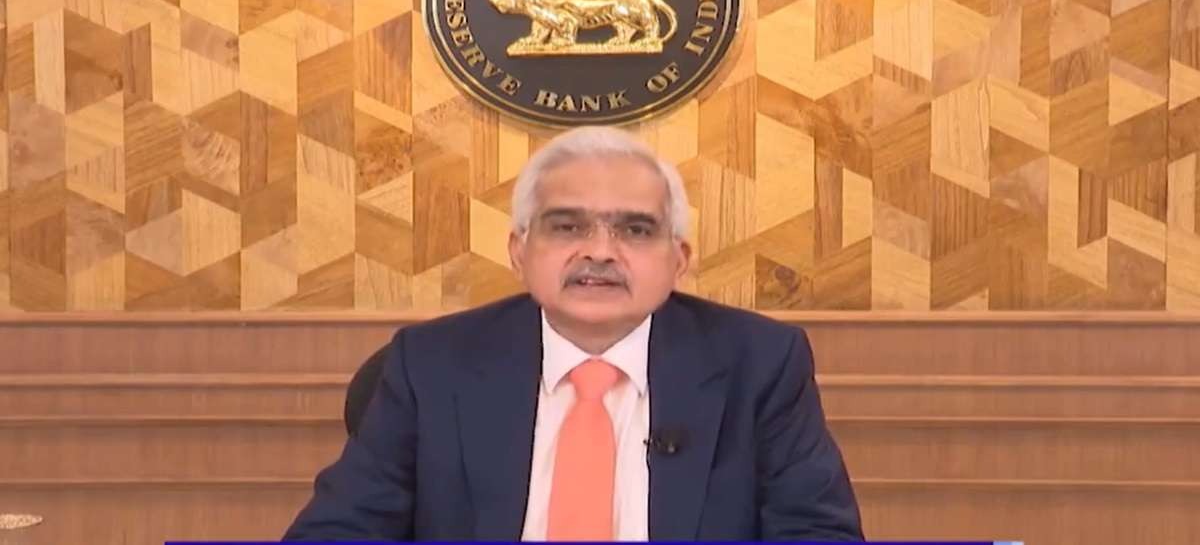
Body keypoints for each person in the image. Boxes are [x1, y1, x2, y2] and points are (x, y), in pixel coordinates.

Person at [283, 126, 863, 541]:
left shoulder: (760, 365)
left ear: (679, 260)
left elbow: (818, 533)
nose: (600, 252)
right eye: (567, 226)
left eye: (636, 230)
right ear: (519, 251)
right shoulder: (431, 365)